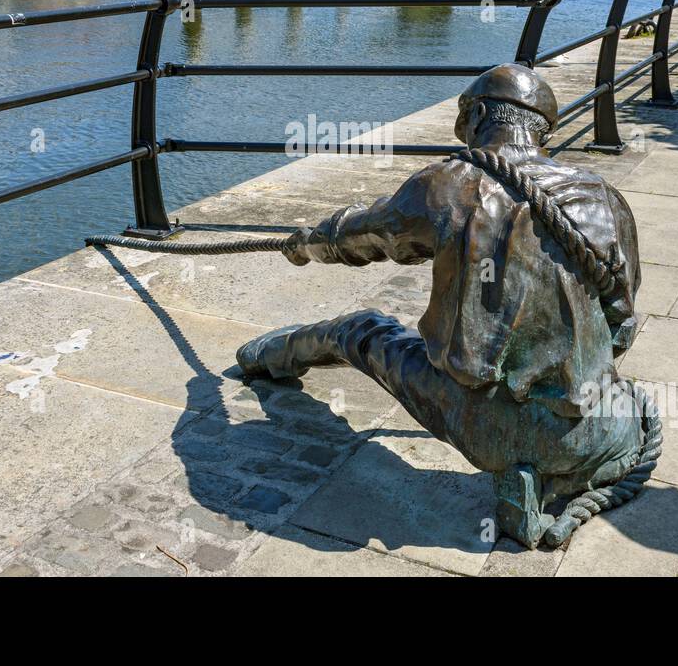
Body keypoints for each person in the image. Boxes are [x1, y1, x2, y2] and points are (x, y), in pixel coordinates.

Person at [236, 64, 645, 549]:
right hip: (595, 430)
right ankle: (549, 476)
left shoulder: (447, 185)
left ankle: (267, 357)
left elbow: (366, 235)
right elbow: (621, 330)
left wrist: (307, 243)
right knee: (611, 405)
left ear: (475, 116)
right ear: (541, 130)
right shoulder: (603, 197)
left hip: (485, 426)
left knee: (361, 331)